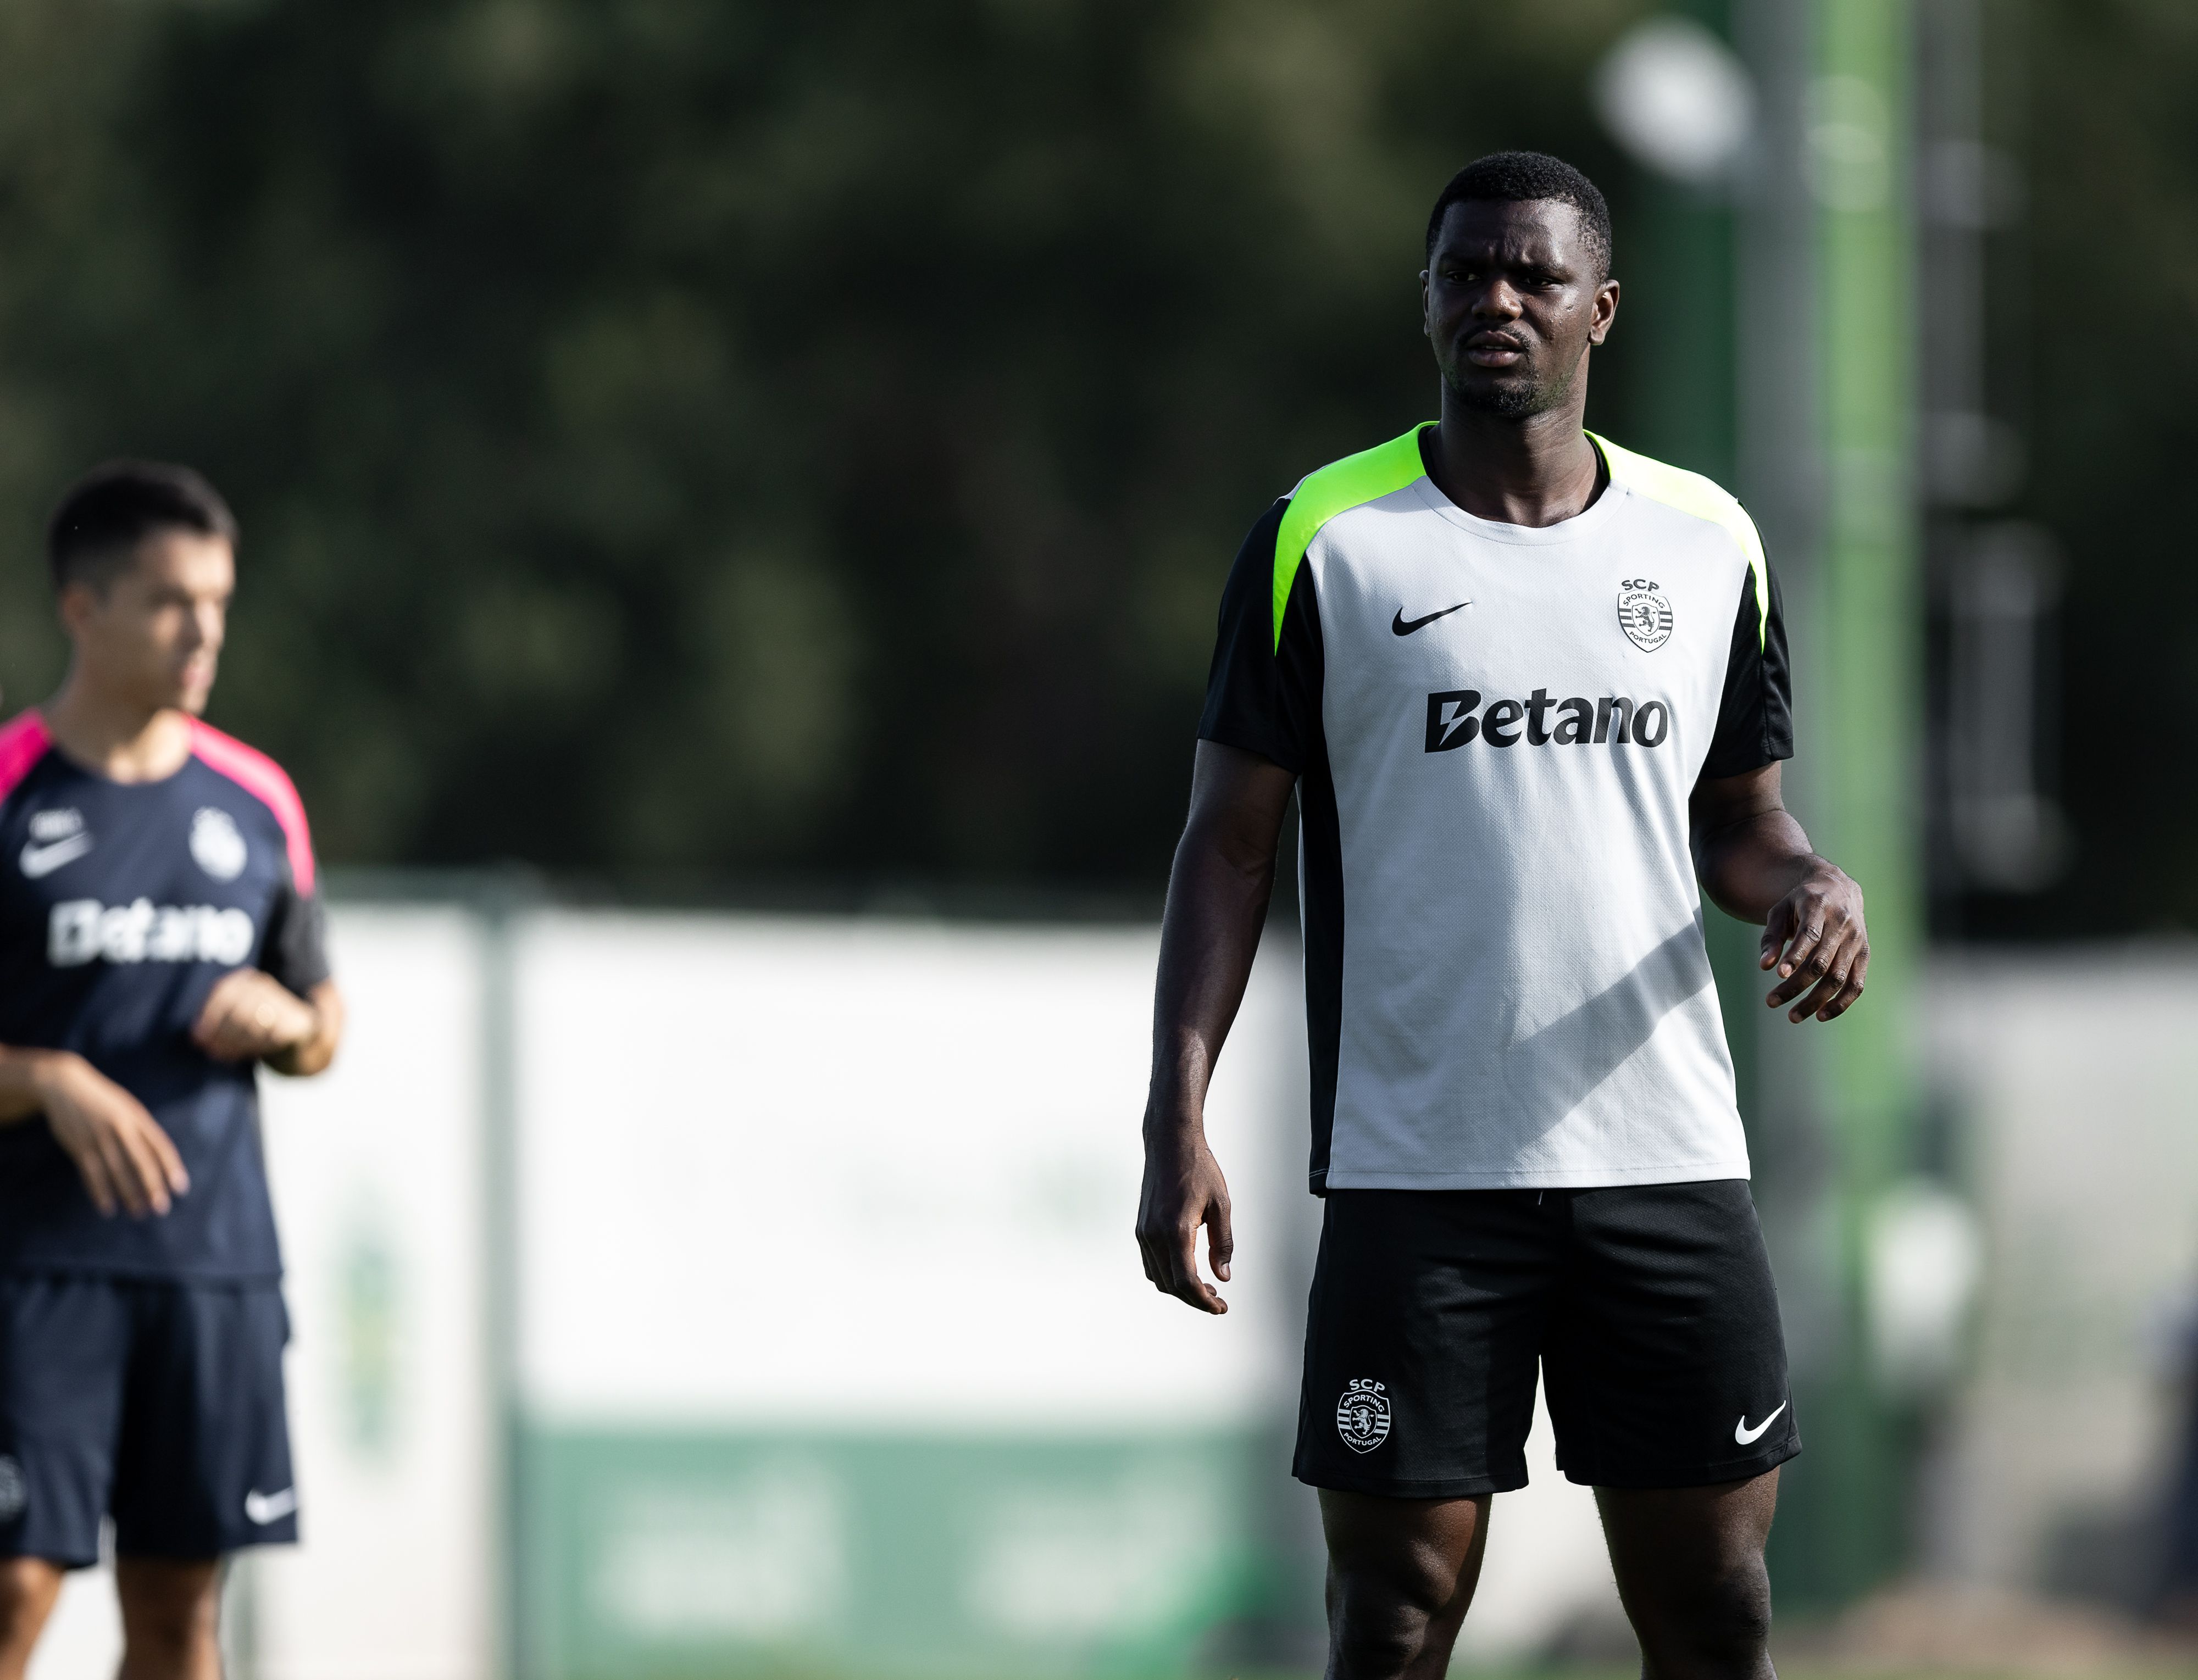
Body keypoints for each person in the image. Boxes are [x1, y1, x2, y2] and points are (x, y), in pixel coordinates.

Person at [1135, 152, 1870, 1679]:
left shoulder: (1707, 540)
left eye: (1536, 275)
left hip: (1663, 1156)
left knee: (1716, 1612)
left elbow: (1739, 821)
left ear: (1601, 307)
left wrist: (1810, 883)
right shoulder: (1325, 537)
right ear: (1425, 301)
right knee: (1394, 1615)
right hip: (1418, 1167)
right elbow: (1228, 847)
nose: (1498, 299)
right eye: (1466, 271)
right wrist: (1174, 1117)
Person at [0, 462, 344, 1680]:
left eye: (217, 603)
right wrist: (46, 1078)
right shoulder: (10, 789)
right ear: (82, 607)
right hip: (33, 1268)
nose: (204, 631)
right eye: (169, 601)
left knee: (180, 1616)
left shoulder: (257, 801)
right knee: (13, 1590)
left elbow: (323, 1019)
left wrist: (290, 1022)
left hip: (211, 1269)